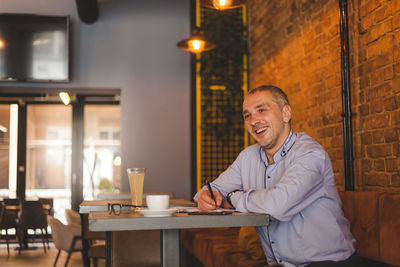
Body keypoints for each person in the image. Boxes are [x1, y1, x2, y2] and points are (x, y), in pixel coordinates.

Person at [195, 85, 364, 267]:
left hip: (328, 263)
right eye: (247, 115)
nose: (253, 121)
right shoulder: (248, 157)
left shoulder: (310, 154)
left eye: (261, 110)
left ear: (286, 113)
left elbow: (278, 205)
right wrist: (205, 196)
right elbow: (212, 190)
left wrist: (233, 198)